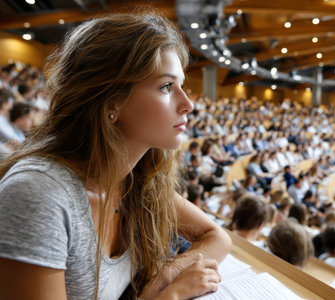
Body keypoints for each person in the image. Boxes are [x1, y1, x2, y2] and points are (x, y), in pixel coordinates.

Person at [0, 12, 231, 300]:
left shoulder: (135, 178)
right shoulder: (39, 194)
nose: (187, 104)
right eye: (166, 87)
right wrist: (167, 296)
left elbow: (217, 236)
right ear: (112, 102)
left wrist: (166, 275)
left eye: (182, 86)